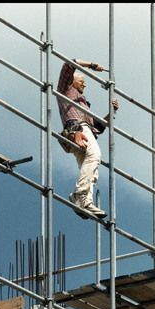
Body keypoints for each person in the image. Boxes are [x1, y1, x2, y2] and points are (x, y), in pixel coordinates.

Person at [56, 58, 119, 219]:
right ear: (73, 81)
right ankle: (80, 195)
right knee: (95, 156)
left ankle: (85, 201)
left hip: (85, 131)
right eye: (82, 81)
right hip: (76, 129)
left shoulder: (84, 104)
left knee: (91, 168)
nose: (85, 84)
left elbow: (98, 127)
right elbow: (69, 64)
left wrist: (112, 112)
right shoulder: (66, 90)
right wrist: (91, 65)